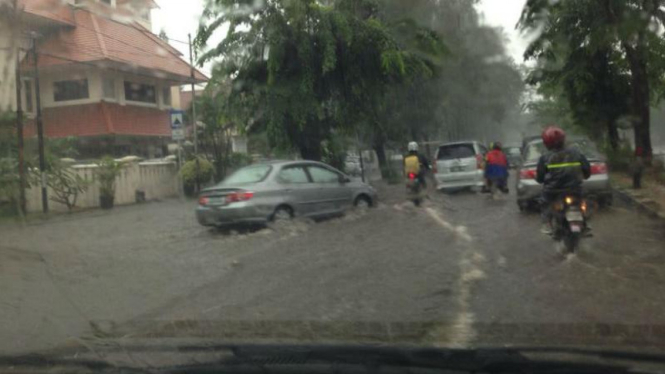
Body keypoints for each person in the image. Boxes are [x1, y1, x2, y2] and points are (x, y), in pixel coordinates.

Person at [536, 126, 591, 235]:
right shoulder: (576, 153)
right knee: (583, 201)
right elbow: (587, 170)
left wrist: (541, 179)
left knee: (544, 203)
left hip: (553, 192)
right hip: (575, 189)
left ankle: (547, 223)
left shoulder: (545, 157)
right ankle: (585, 222)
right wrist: (585, 176)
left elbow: (540, 177)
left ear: (546, 142)